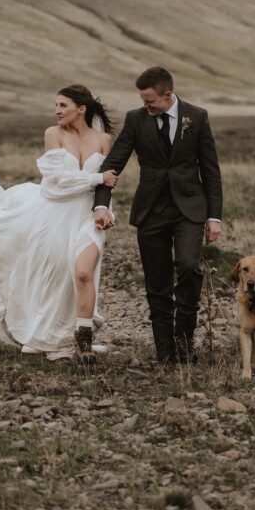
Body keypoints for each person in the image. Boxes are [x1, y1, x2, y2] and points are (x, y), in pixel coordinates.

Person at [0, 86, 118, 362]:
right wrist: (95, 180)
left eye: (63, 105)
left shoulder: (103, 140)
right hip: (55, 214)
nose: (57, 110)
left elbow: (108, 185)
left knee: (84, 273)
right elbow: (53, 184)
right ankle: (53, 334)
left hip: (89, 216)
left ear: (81, 109)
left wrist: (104, 208)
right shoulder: (53, 134)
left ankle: (84, 339)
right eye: (56, 105)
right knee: (55, 276)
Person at [93, 66, 222, 365]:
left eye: (150, 100)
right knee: (157, 280)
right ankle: (165, 352)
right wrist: (101, 203)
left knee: (189, 267)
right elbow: (114, 163)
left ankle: (184, 343)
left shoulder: (197, 116)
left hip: (190, 208)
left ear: (167, 95)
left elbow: (211, 170)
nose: (145, 105)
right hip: (151, 210)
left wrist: (214, 215)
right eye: (142, 100)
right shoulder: (136, 119)